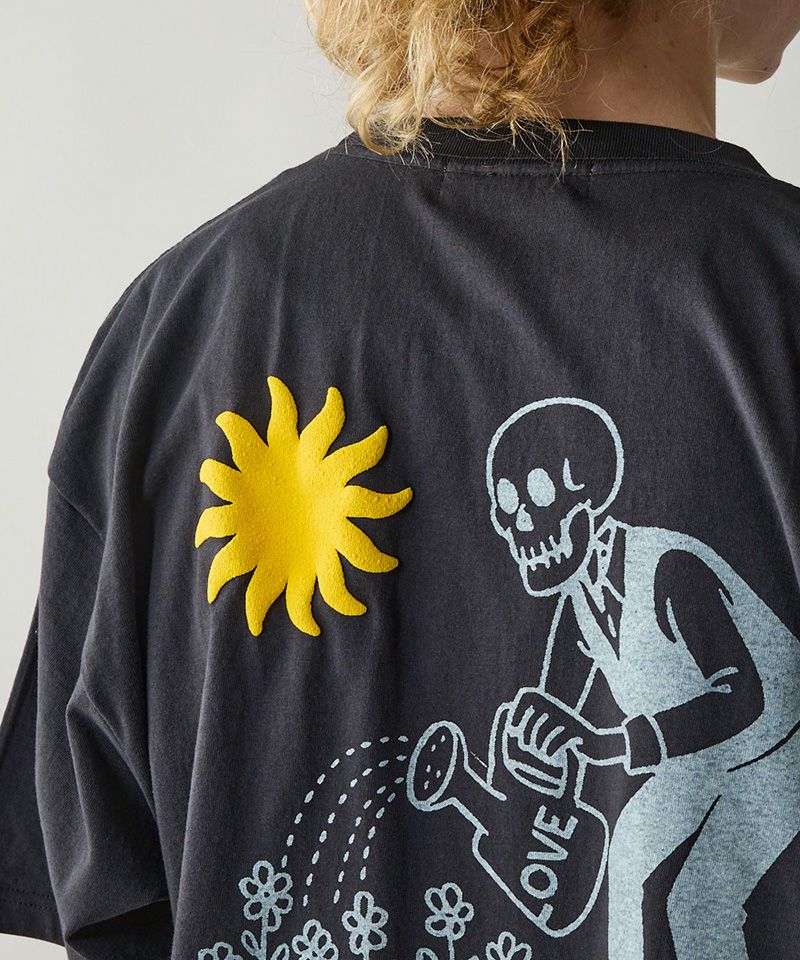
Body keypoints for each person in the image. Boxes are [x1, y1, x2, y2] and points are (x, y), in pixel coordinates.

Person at [1, 1, 800, 958]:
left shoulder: (176, 339)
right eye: (511, 512)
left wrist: (602, 751)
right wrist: (532, 759)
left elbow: (111, 900)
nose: (521, 534)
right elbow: (556, 804)